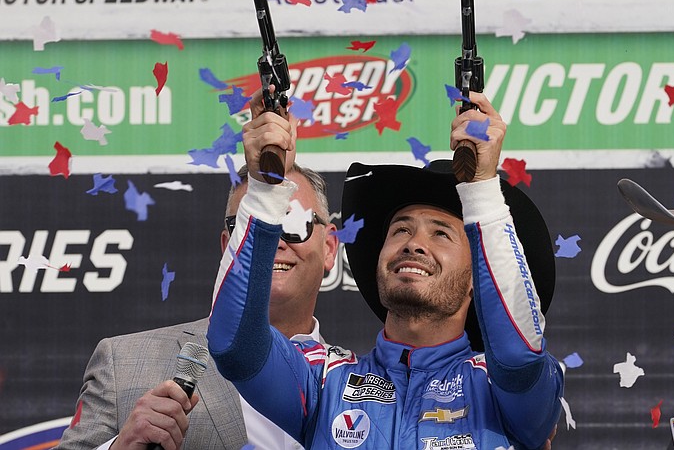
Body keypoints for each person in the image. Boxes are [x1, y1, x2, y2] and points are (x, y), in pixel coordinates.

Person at [208, 90, 564, 449]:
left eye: (440, 233)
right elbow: (235, 346)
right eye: (401, 230)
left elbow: (518, 359)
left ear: (478, 276)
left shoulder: (503, 389)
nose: (414, 243)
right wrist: (265, 190)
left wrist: (482, 191)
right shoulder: (323, 380)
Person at [55, 161, 339, 450]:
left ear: (329, 248)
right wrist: (121, 447)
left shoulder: (361, 388)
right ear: (229, 246)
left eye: (292, 223)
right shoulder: (123, 362)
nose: (272, 241)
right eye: (249, 226)